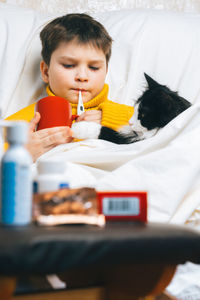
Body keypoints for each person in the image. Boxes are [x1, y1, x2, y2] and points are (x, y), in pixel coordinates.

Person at [6, 13, 134, 161]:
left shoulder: (127, 114)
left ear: (105, 72)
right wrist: (22, 152)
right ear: (46, 71)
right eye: (68, 65)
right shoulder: (26, 121)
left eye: (93, 67)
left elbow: (159, 131)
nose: (82, 76)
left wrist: (110, 118)